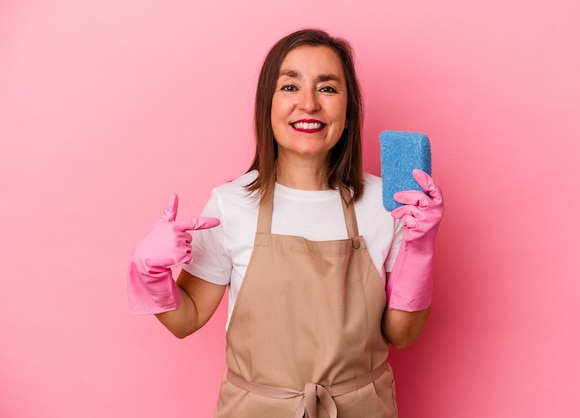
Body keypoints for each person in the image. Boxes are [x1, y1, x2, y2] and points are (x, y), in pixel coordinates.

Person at [128, 28, 444, 418]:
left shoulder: (387, 205)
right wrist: (150, 275)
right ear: (268, 106)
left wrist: (422, 247)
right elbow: (186, 319)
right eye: (290, 87)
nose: (308, 104)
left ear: (348, 113)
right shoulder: (231, 204)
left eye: (327, 89)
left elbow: (403, 334)